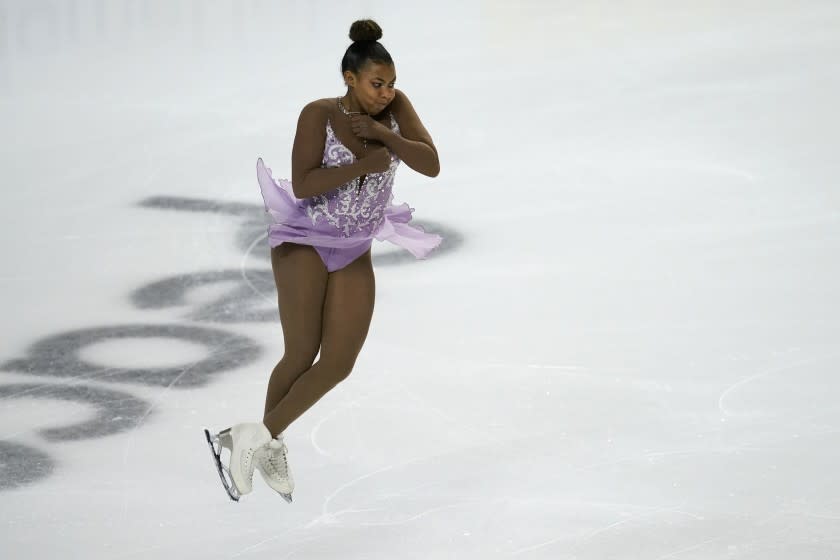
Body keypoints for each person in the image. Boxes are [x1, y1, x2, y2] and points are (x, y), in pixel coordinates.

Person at [204, 19, 441, 503]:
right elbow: (306, 183)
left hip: (355, 246)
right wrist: (362, 163)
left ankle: (252, 437)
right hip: (305, 242)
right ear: (350, 79)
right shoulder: (317, 114)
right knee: (301, 353)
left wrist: (384, 135)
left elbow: (431, 162)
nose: (386, 92)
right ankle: (265, 443)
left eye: (391, 83)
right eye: (377, 84)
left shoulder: (394, 110)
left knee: (337, 363)